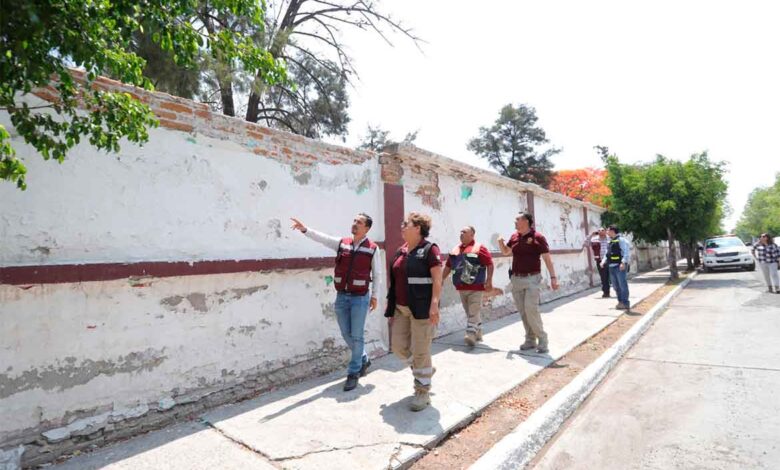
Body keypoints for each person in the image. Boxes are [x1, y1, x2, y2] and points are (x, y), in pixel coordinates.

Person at [290, 214, 381, 391]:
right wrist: (305, 230)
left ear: (367, 228)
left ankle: (354, 372)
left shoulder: (372, 248)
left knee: (357, 336)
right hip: (342, 296)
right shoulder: (342, 243)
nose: (354, 224)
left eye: (359, 222)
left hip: (360, 297)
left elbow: (377, 274)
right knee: (346, 333)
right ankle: (363, 358)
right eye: (354, 221)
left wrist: (375, 296)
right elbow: (323, 239)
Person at [385, 212, 443, 411]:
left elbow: (437, 279)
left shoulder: (429, 249)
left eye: (406, 224)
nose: (402, 227)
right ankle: (424, 369)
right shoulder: (401, 251)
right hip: (401, 308)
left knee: (420, 350)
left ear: (418, 228)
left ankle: (422, 392)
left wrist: (434, 304)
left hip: (422, 308)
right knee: (398, 347)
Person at [497, 212, 559, 354]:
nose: (515, 222)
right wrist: (500, 243)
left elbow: (547, 259)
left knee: (531, 309)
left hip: (532, 279)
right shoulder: (514, 236)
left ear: (526, 221)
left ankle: (542, 339)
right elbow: (506, 252)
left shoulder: (538, 237)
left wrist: (553, 278)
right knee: (523, 311)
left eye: (517, 219)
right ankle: (530, 340)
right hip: (516, 279)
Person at [442, 225, 494, 347]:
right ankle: (478, 331)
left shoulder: (479, 248)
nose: (461, 234)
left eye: (464, 232)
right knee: (470, 312)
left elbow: (489, 264)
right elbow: (448, 266)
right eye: (460, 232)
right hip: (461, 287)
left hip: (476, 287)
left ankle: (470, 334)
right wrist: (442, 279)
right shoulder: (455, 249)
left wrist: (489, 280)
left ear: (472, 235)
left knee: (473, 311)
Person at [601, 226, 632, 310]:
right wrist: (603, 261)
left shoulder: (622, 240)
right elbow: (607, 253)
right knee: (615, 286)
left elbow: (626, 252)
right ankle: (620, 302)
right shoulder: (610, 241)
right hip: (611, 266)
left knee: (622, 285)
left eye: (608, 230)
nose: (606, 232)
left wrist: (623, 262)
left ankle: (625, 303)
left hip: (619, 266)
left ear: (612, 231)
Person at [589, 227, 611, 298]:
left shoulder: (609, 238)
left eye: (602, 230)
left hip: (609, 260)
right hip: (600, 260)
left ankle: (615, 290)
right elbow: (586, 244)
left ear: (605, 231)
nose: (600, 231)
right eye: (599, 230)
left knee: (611, 276)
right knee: (603, 277)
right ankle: (606, 292)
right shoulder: (594, 239)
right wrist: (591, 235)